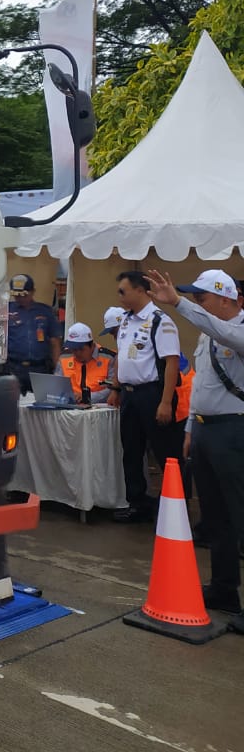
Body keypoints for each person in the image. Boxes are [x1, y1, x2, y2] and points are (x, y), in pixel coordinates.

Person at [146, 267, 244, 629]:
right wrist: (190, 426)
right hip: (206, 430)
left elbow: (226, 333)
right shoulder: (210, 335)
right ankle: (223, 589)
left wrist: (179, 305)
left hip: (236, 430)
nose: (197, 304)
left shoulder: (236, 330)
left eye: (201, 298)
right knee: (216, 517)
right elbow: (202, 382)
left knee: (240, 515)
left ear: (224, 298)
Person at [112, 269, 184, 523]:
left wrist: (165, 402)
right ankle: (138, 503)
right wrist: (116, 388)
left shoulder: (159, 321)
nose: (119, 296)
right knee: (131, 451)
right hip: (130, 395)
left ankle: (177, 509)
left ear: (140, 290)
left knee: (166, 452)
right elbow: (123, 356)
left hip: (153, 393)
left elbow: (171, 363)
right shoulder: (125, 320)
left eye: (123, 291)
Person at [6, 273, 63, 393]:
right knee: (12, 406)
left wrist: (58, 369)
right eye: (16, 295)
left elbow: (55, 341)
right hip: (14, 368)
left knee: (43, 404)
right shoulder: (7, 310)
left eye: (23, 295)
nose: (20, 299)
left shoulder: (45, 311)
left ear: (32, 292)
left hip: (40, 368)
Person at [56, 322, 116, 405]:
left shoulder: (108, 358)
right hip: (71, 406)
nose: (77, 353)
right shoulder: (64, 357)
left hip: (99, 408)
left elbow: (113, 388)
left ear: (92, 346)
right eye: (73, 349)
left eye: (81, 349)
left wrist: (87, 397)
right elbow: (57, 384)